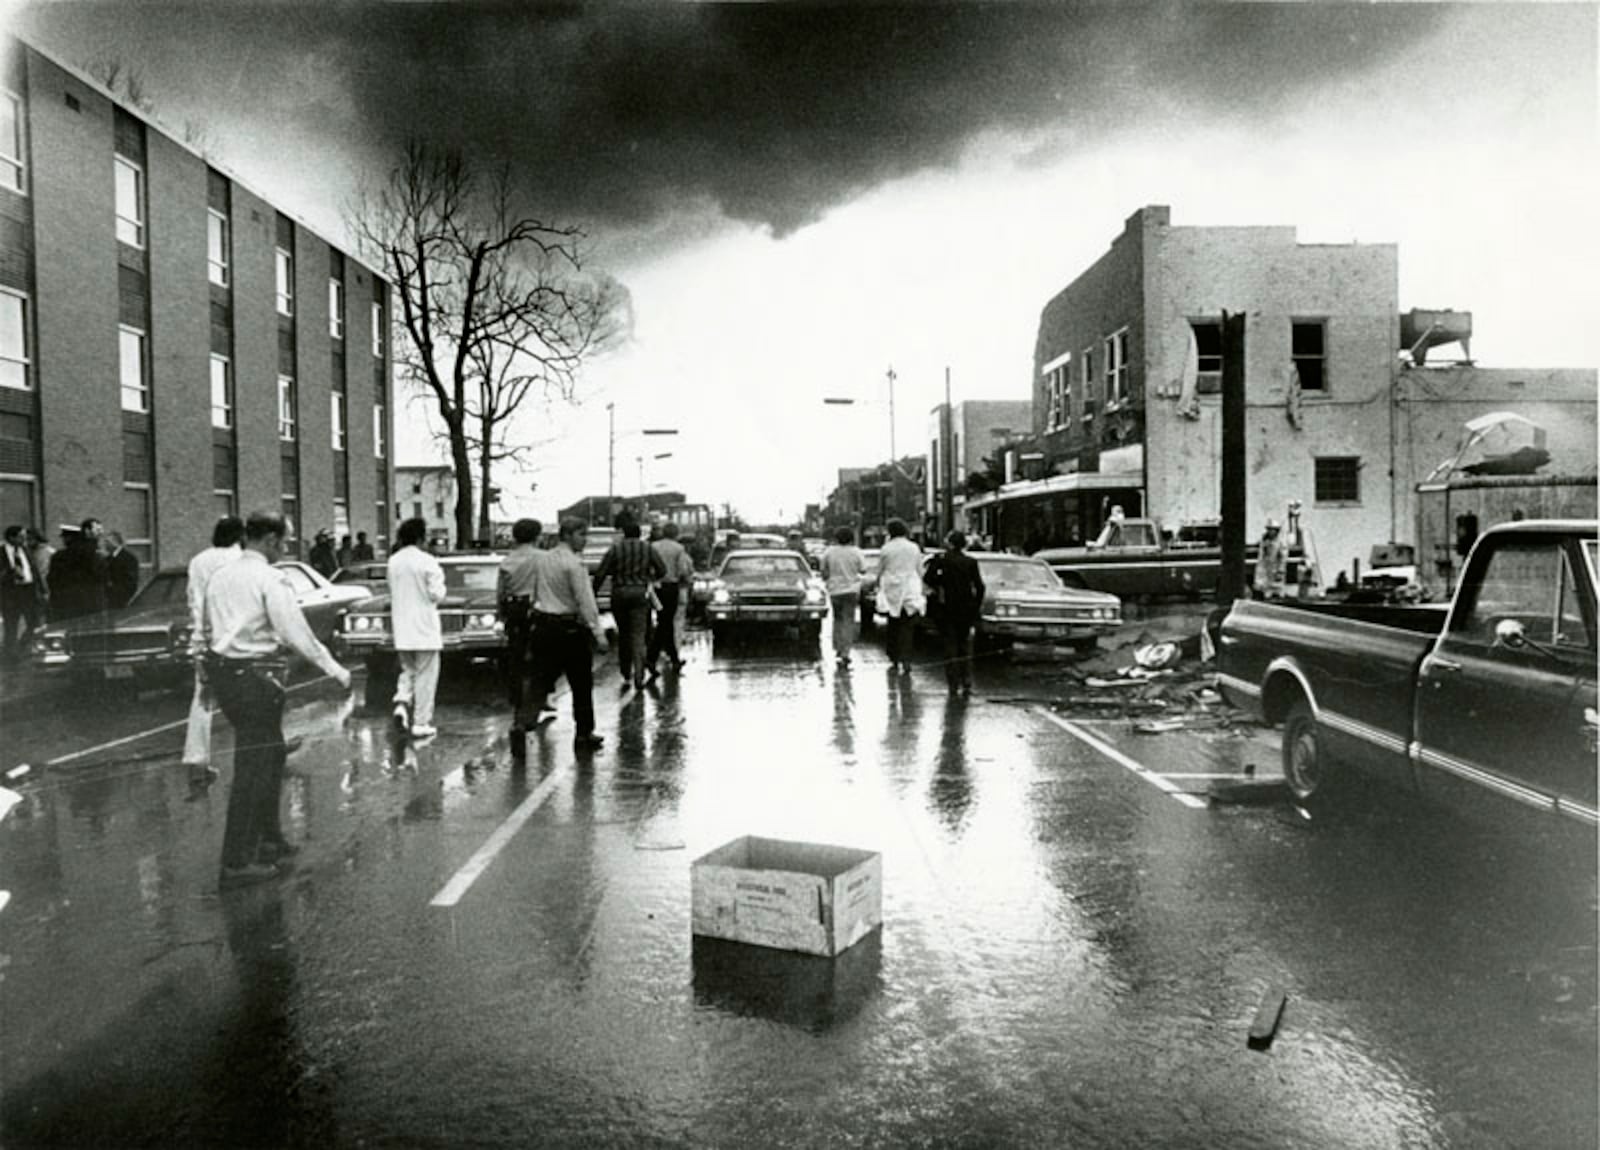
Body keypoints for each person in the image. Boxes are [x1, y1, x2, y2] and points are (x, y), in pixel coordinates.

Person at [204, 511, 351, 890]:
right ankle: (236, 861)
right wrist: (334, 669)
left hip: (227, 672)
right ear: (269, 540)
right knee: (254, 765)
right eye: (283, 541)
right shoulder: (270, 578)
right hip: (256, 675)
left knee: (269, 758)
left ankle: (269, 840)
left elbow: (207, 625)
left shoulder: (221, 577)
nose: (284, 548)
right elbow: (295, 632)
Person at [526, 517, 609, 752]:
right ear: (569, 535)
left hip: (544, 625)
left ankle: (523, 723)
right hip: (570, 628)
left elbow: (534, 592)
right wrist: (598, 633)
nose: (585, 540)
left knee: (539, 679)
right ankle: (584, 733)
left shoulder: (542, 560)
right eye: (582, 535)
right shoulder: (574, 564)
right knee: (581, 682)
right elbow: (585, 600)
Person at [181, 516, 244, 790]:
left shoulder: (198, 561)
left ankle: (197, 761)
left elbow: (192, 599)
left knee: (202, 701)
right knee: (259, 692)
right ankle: (267, 747)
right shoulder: (241, 560)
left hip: (204, 638)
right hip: (237, 638)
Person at [498, 517, 557, 748]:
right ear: (536, 536)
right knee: (541, 656)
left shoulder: (507, 561)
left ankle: (517, 699)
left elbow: (501, 592)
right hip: (536, 608)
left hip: (514, 609)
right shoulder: (543, 558)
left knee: (517, 655)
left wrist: (502, 614)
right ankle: (541, 699)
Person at [387, 517, 447, 740]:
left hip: (401, 626)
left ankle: (402, 703)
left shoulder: (393, 561)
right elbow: (436, 594)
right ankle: (421, 722)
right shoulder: (428, 561)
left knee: (408, 670)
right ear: (422, 537)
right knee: (426, 675)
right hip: (425, 626)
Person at [593, 511, 665, 692]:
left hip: (619, 593)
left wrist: (593, 592)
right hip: (640, 593)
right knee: (639, 634)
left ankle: (626, 671)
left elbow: (601, 572)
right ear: (640, 533)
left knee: (624, 633)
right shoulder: (648, 549)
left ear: (624, 533)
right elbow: (662, 569)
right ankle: (640, 673)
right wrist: (649, 577)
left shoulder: (615, 549)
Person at [923, 530, 986, 695]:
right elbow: (980, 586)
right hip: (966, 608)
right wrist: (975, 605)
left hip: (946, 608)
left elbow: (928, 579)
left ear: (949, 543)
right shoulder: (971, 562)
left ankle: (953, 682)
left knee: (949, 644)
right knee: (964, 644)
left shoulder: (942, 561)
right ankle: (966, 680)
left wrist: (939, 584)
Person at [875, 518, 927, 675]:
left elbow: (881, 569)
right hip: (910, 588)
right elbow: (919, 569)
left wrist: (878, 585)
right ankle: (906, 658)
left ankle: (894, 656)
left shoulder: (886, 548)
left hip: (892, 589)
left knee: (893, 624)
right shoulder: (914, 547)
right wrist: (923, 588)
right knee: (908, 626)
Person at [645, 521, 694, 682]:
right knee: (666, 623)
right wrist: (686, 580)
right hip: (671, 587)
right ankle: (653, 657)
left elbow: (649, 567)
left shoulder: (654, 546)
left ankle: (673, 659)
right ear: (676, 534)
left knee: (663, 622)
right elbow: (682, 570)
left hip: (657, 587)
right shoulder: (678, 549)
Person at [819, 526, 866, 667]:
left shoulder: (829, 552)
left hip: (835, 590)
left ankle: (838, 648)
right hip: (851, 590)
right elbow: (863, 570)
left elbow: (823, 571)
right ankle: (846, 651)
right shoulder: (856, 552)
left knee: (837, 619)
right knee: (848, 621)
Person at [48, 518, 108, 620]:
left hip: (66, 604)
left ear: (68, 538)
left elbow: (52, 580)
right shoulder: (96, 555)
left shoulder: (59, 556)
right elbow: (102, 578)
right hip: (92, 604)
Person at [1, 524, 43, 664]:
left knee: (34, 621)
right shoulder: (1, 552)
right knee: (11, 625)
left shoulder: (25, 550)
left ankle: (21, 647)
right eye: (21, 537)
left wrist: (42, 588)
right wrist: (11, 572)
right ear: (11, 537)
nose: (24, 539)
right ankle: (9, 655)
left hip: (28, 590)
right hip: (11, 593)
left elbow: (34, 570)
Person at [105, 530, 141, 609]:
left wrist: (120, 597)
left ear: (115, 542)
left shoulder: (129, 559)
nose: (105, 545)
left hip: (120, 602)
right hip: (108, 601)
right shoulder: (108, 559)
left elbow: (131, 582)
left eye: (107, 542)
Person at [1253, 518, 1286, 600]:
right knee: (1261, 588)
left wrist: (1280, 571)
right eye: (1269, 529)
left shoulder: (1280, 542)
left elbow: (1282, 557)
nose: (1270, 532)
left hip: (1274, 569)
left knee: (1274, 591)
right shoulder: (1264, 540)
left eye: (1273, 530)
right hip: (1263, 569)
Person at [25, 528, 53, 622]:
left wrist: (45, 591)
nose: (27, 542)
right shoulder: (31, 552)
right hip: (37, 590)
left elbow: (42, 573)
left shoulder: (44, 552)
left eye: (29, 539)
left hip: (43, 590)